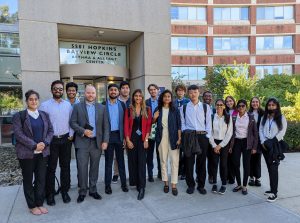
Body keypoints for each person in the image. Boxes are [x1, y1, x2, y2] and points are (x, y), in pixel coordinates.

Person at [12, 90, 53, 215]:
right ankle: (32, 205)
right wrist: (34, 145)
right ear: (26, 101)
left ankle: (39, 203)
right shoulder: (19, 116)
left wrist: (45, 143)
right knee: (28, 179)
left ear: (38, 101)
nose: (33, 101)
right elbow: (18, 134)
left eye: (36, 99)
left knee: (41, 179)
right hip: (27, 154)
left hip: (42, 153)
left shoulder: (44, 115)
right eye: (31, 99)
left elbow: (50, 131)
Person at [70, 85, 109, 203]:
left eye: (92, 93)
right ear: (84, 94)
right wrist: (83, 131)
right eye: (88, 93)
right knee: (82, 168)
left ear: (95, 94)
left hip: (97, 143)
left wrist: (105, 141)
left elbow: (106, 126)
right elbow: (72, 123)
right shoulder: (77, 107)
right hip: (82, 142)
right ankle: (82, 191)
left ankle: (93, 190)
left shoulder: (102, 108)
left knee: (94, 167)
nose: (90, 95)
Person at [40, 80, 73, 206]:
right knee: (51, 168)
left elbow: (72, 121)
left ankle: (65, 191)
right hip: (52, 140)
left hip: (65, 139)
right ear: (51, 90)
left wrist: (71, 135)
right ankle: (50, 194)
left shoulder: (68, 105)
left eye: (60, 89)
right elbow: (43, 125)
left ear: (63, 90)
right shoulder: (45, 105)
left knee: (65, 167)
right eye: (55, 88)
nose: (58, 91)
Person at [180, 85, 212, 195]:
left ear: (199, 93)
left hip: (202, 136)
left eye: (195, 92)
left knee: (201, 162)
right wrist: (185, 132)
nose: (193, 94)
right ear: (188, 94)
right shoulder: (184, 107)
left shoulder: (205, 107)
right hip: (189, 136)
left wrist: (207, 137)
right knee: (189, 162)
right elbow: (182, 122)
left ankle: (201, 185)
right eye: (191, 92)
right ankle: (190, 185)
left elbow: (208, 123)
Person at [124, 89, 152, 200]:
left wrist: (146, 140)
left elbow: (149, 125)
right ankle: (136, 182)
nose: (138, 98)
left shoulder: (147, 109)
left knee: (141, 163)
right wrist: (127, 140)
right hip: (132, 139)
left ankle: (142, 187)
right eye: (136, 96)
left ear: (143, 97)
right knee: (133, 162)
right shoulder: (129, 110)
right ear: (133, 97)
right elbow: (125, 125)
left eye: (140, 96)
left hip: (142, 140)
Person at [153, 90, 181, 196]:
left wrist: (179, 138)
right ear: (162, 98)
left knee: (174, 162)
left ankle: (174, 184)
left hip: (174, 138)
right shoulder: (158, 109)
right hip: (161, 138)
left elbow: (179, 125)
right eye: (165, 96)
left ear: (171, 98)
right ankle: (166, 183)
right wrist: (154, 117)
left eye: (169, 96)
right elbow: (151, 123)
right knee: (163, 161)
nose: (167, 98)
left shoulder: (175, 110)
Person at [259, 98, 287, 202]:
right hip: (265, 145)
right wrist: (263, 142)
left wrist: (273, 141)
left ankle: (274, 193)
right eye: (269, 105)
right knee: (269, 168)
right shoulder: (264, 117)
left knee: (274, 168)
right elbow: (260, 129)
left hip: (276, 145)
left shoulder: (281, 117)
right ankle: (272, 189)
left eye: (273, 105)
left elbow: (282, 131)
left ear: (277, 106)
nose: (271, 107)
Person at [103, 84, 128, 194]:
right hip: (108, 137)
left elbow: (125, 123)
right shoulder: (103, 105)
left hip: (119, 136)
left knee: (121, 161)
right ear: (108, 92)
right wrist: (103, 140)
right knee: (108, 163)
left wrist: (125, 138)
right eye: (111, 90)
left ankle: (123, 184)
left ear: (118, 92)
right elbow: (100, 124)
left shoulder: (122, 105)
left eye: (115, 90)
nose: (113, 91)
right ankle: (107, 186)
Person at [230, 99, 258, 195]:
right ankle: (238, 184)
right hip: (237, 142)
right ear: (237, 107)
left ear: (246, 107)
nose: (241, 107)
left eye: (243, 106)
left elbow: (255, 133)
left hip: (247, 143)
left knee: (246, 165)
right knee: (235, 163)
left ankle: (245, 186)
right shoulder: (233, 117)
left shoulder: (251, 117)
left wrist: (254, 147)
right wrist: (230, 146)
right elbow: (231, 132)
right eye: (239, 106)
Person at [209, 99, 233, 194]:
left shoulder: (228, 117)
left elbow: (229, 133)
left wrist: (221, 145)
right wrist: (214, 145)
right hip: (214, 142)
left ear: (224, 106)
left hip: (224, 143)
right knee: (214, 164)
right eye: (217, 104)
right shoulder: (211, 117)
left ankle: (223, 184)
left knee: (223, 164)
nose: (219, 106)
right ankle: (214, 183)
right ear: (215, 106)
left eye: (221, 105)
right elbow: (209, 132)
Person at [111, 81, 131, 184]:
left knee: (131, 154)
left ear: (129, 89)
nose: (125, 90)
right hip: (119, 133)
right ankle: (116, 173)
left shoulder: (133, 100)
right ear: (120, 90)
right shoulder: (115, 101)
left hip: (131, 133)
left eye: (127, 88)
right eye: (123, 88)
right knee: (117, 156)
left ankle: (132, 173)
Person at [145, 84, 161, 181]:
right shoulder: (145, 102)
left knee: (160, 154)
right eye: (150, 90)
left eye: (154, 89)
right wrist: (153, 118)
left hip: (160, 132)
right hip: (149, 131)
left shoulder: (163, 101)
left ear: (158, 90)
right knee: (149, 155)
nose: (153, 91)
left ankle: (160, 173)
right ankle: (150, 174)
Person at [174, 84, 189, 181]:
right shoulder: (173, 102)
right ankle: (178, 171)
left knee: (185, 153)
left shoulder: (188, 101)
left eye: (182, 90)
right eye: (178, 90)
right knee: (176, 153)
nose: (180, 92)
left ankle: (184, 172)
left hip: (185, 130)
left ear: (184, 92)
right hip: (175, 130)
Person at [248, 97, 264, 187]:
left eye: (256, 102)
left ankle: (257, 178)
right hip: (250, 139)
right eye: (253, 102)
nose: (255, 103)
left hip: (260, 139)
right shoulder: (248, 113)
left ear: (259, 103)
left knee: (257, 159)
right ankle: (251, 177)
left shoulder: (263, 113)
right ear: (251, 103)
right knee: (250, 159)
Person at [203, 90, 216, 185]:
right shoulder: (199, 108)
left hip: (212, 137)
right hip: (202, 137)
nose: (208, 97)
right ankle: (199, 176)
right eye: (206, 96)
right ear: (203, 98)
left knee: (211, 158)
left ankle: (211, 176)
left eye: (209, 96)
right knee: (201, 158)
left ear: (212, 98)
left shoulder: (216, 110)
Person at [225, 95, 238, 184]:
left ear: (233, 101)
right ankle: (226, 176)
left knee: (233, 159)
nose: (229, 102)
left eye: (231, 101)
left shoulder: (238, 111)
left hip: (236, 137)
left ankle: (232, 177)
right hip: (226, 137)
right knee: (226, 159)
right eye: (227, 101)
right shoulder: (224, 111)